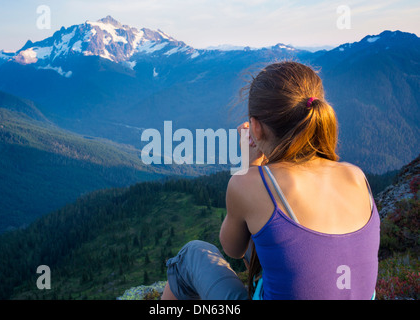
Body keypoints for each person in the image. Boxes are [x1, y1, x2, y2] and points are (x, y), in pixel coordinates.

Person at [161, 61, 380, 300]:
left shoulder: (249, 183)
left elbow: (233, 249)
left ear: (255, 127)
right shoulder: (356, 176)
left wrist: (250, 167)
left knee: (191, 255)